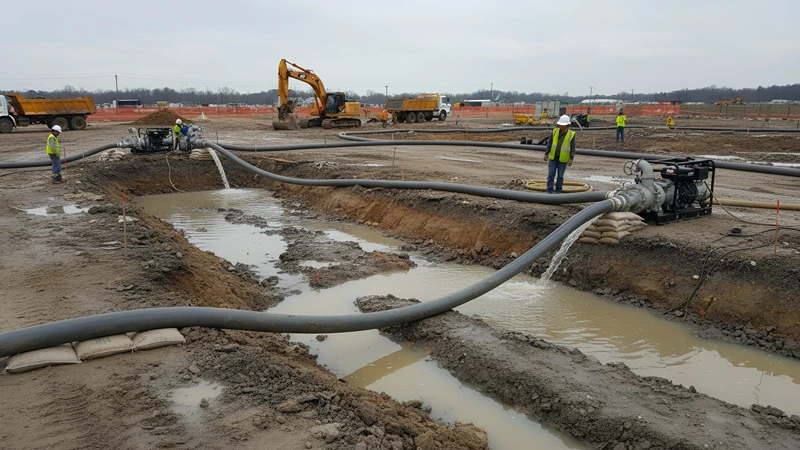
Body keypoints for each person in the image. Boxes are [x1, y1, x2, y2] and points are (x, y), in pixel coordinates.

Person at [543, 115, 576, 194]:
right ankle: (549, 190)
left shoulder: (571, 134)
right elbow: (549, 144)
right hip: (553, 158)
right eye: (560, 125)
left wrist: (571, 158)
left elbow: (572, 148)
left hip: (563, 159)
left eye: (562, 125)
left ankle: (558, 191)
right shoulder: (554, 132)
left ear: (567, 125)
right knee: (551, 175)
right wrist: (546, 153)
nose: (561, 126)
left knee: (560, 177)